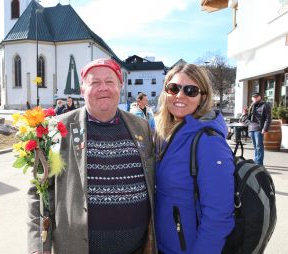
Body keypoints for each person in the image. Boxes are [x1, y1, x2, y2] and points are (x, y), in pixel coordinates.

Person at [27, 58, 156, 254]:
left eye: (110, 82)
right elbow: (39, 193)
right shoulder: (56, 129)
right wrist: (38, 245)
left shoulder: (141, 127)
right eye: (95, 83)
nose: (103, 88)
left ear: (120, 86)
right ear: (82, 90)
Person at [154, 63, 235, 254]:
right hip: (162, 245)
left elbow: (219, 216)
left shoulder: (209, 142)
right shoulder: (164, 132)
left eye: (190, 90)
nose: (180, 95)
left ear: (202, 97)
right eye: (173, 88)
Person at [248, 92, 271, 165]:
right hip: (252, 127)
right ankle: (256, 160)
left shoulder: (265, 105)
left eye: (256, 97)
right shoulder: (252, 105)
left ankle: (259, 163)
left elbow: (268, 118)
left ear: (260, 97)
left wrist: (265, 128)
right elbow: (249, 117)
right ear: (252, 98)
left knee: (259, 146)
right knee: (255, 146)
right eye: (254, 97)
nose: (255, 98)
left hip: (259, 128)